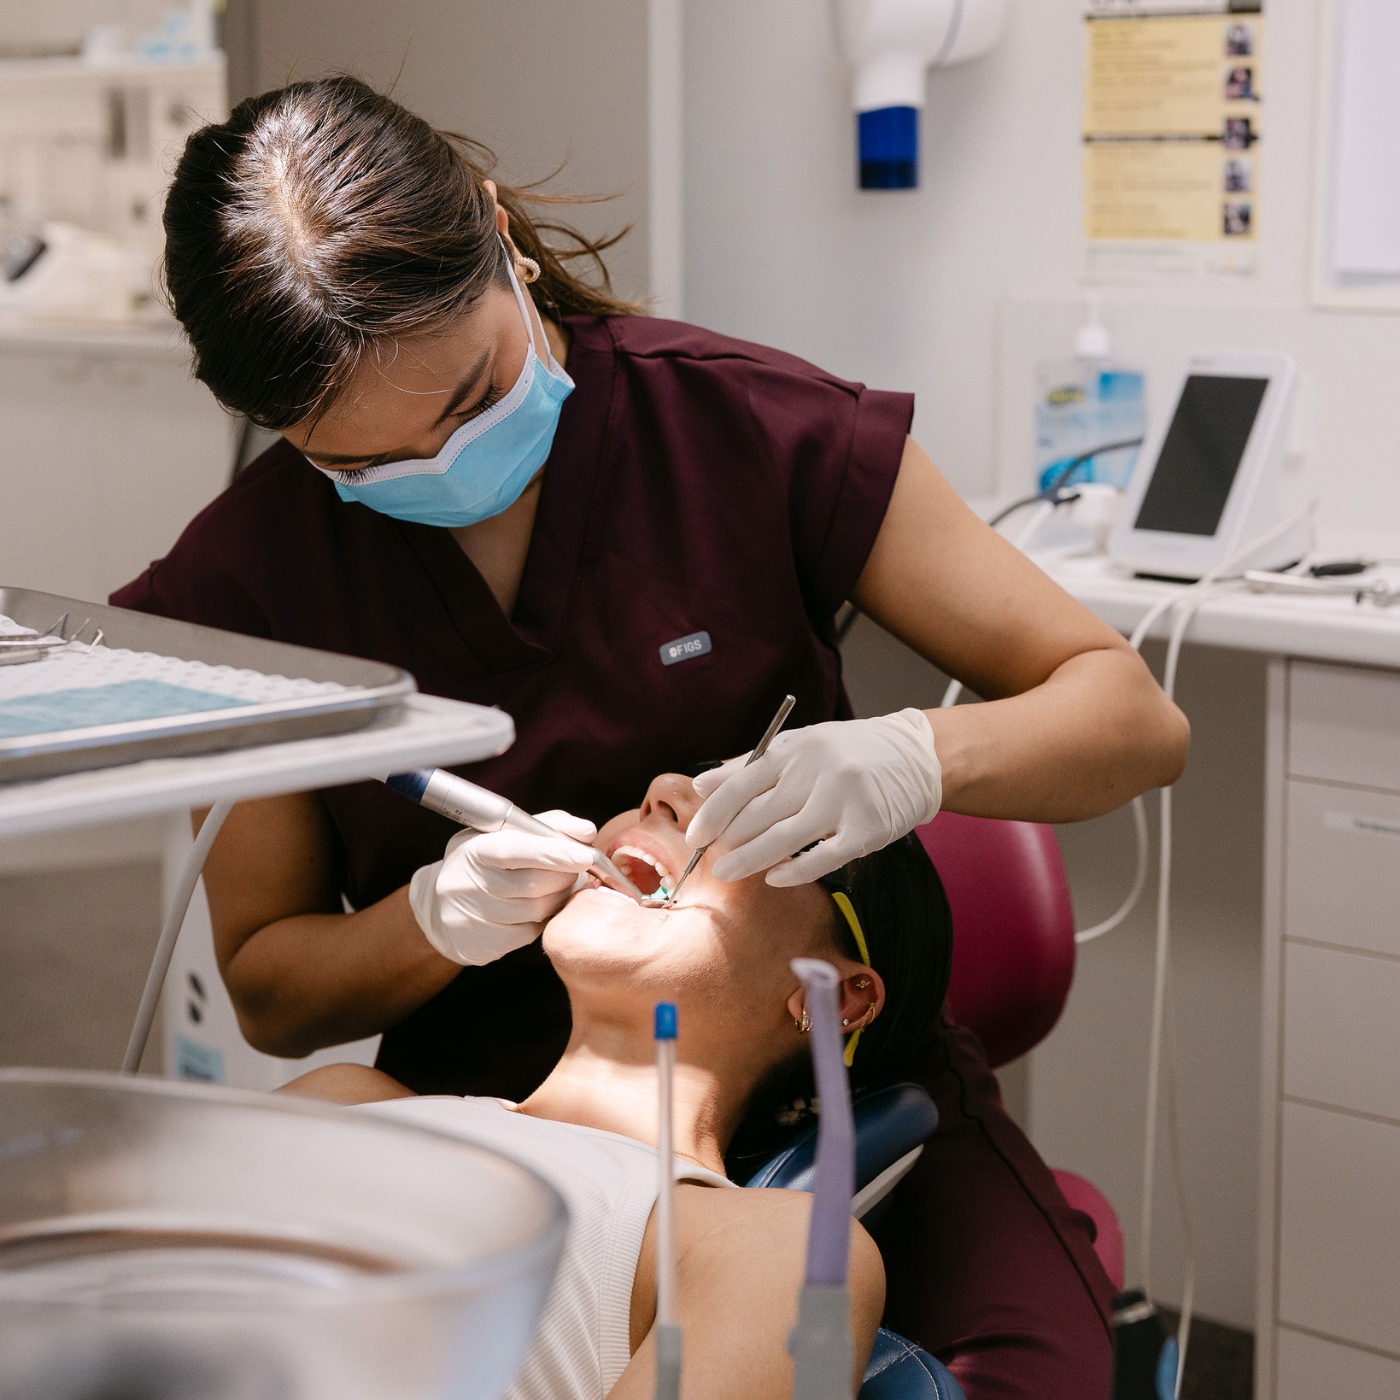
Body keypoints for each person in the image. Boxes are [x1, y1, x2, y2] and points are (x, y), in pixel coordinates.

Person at [114, 76, 1190, 1397]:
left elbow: (1132, 719)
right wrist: (428, 921)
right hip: (472, 1097)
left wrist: (920, 754)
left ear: (498, 235)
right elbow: (271, 999)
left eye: (470, 395)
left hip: (833, 1106)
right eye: (368, 468)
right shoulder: (247, 584)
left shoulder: (744, 428)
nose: (442, 467)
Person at [280, 771, 954, 1400]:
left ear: (834, 998)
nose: (664, 791)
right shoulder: (344, 1101)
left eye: (755, 817)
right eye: (681, 780)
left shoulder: (771, 1247)